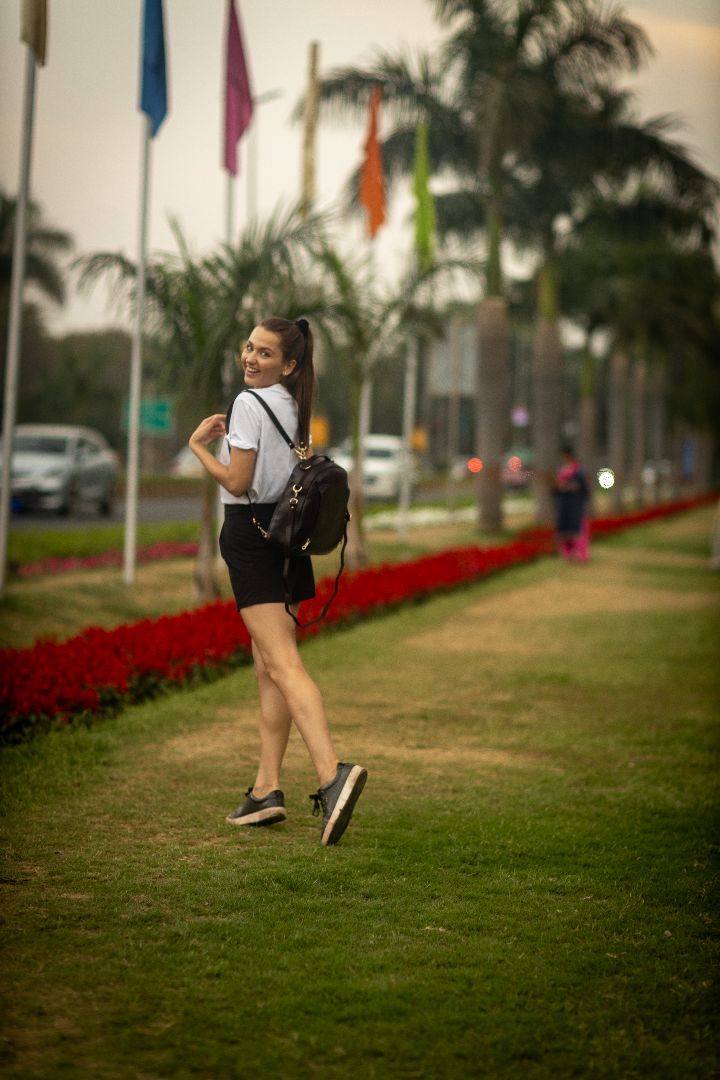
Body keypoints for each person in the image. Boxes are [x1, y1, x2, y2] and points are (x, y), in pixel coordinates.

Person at [188, 316, 367, 846]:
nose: (250, 358)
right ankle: (266, 790)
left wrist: (200, 447)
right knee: (268, 665)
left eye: (265, 354)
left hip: (252, 535)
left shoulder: (248, 403)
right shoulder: (293, 404)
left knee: (283, 666)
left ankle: (333, 776)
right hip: (285, 538)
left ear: (288, 364)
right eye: (249, 347)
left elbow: (239, 481)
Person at [554, 444, 590, 562]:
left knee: (578, 529)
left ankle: (582, 555)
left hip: (575, 503)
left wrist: (573, 486)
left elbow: (584, 487)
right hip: (564, 503)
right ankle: (568, 554)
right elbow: (557, 487)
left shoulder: (579, 470)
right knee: (565, 531)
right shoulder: (562, 468)